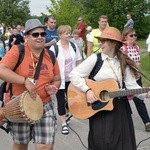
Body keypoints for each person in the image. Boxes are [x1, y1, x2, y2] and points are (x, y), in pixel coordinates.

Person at [69, 27, 150, 150]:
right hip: (100, 108)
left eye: (103, 41)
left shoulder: (123, 61)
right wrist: (87, 90)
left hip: (120, 108)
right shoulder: (95, 59)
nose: (101, 44)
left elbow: (132, 86)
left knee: (123, 143)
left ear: (113, 43)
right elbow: (74, 75)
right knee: (102, 142)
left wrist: (146, 94)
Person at [0, 19, 61, 150]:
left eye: (42, 34)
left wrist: (53, 87)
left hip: (45, 105)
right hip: (19, 105)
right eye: (35, 34)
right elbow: (1, 70)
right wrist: (24, 80)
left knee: (46, 146)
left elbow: (57, 78)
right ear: (26, 36)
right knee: (21, 145)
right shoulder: (18, 50)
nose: (40, 37)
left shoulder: (50, 55)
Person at [50, 25, 82, 134]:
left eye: (69, 33)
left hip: (71, 79)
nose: (69, 35)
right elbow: (50, 65)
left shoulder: (73, 46)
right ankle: (64, 123)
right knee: (61, 101)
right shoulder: (54, 48)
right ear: (60, 35)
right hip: (59, 80)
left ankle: (66, 114)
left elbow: (78, 60)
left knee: (71, 100)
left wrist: (80, 74)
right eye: (66, 33)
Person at [121, 27, 150, 132]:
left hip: (137, 77)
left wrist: (138, 70)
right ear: (125, 37)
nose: (134, 37)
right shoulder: (122, 49)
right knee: (123, 101)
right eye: (131, 35)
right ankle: (123, 124)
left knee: (139, 99)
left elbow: (138, 61)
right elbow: (121, 65)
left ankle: (147, 123)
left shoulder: (137, 47)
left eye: (135, 35)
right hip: (127, 79)